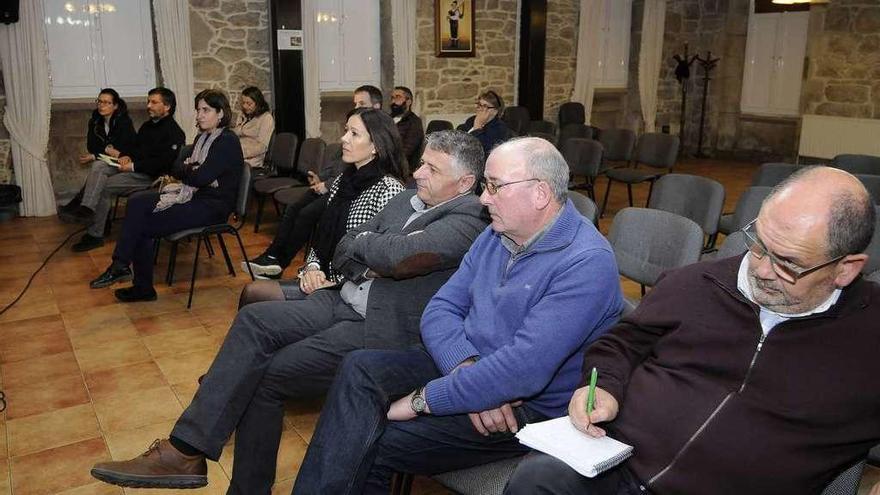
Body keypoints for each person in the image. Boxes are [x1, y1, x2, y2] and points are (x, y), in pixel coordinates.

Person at [86, 116, 476, 494]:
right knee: (255, 319)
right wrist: (370, 253)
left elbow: (397, 255)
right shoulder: (409, 199)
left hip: (378, 327)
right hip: (342, 299)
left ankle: (215, 471)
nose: (419, 172)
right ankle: (186, 449)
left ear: (465, 183)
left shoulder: (468, 217)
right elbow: (344, 244)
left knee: (266, 376)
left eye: (432, 169)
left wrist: (371, 251)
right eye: (422, 163)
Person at [504, 166, 880, 495]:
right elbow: (623, 341)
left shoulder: (870, 335)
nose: (761, 270)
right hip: (616, 466)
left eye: (789, 263)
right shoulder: (698, 282)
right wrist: (602, 384)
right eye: (759, 245)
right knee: (536, 479)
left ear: (845, 269)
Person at [292, 137, 623, 494]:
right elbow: (440, 308)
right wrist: (466, 370)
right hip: (474, 366)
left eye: (494, 186)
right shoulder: (497, 233)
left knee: (372, 437)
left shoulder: (585, 262)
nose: (483, 198)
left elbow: (522, 371)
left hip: (528, 410)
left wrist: (422, 401)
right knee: (359, 368)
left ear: (540, 193)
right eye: (485, 186)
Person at [88, 89, 243, 302]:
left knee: (141, 226)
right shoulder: (202, 138)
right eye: (198, 110)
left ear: (221, 113)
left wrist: (190, 170)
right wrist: (192, 169)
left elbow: (197, 177)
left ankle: (134, 279)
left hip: (213, 206)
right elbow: (177, 167)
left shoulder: (227, 141)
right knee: (137, 202)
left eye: (206, 110)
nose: (199, 115)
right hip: (194, 196)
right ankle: (122, 267)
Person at [243, 87, 383, 279]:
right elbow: (337, 164)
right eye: (355, 103)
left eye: (361, 104)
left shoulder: (382, 179)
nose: (345, 138)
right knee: (293, 208)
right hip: (333, 186)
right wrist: (321, 179)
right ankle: (272, 256)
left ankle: (280, 262)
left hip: (337, 190)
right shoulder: (352, 145)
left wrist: (327, 185)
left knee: (306, 214)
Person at [62, 87, 185, 252]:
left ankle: (95, 234)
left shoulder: (174, 133)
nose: (148, 105)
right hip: (135, 168)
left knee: (104, 186)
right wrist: (127, 156)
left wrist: (132, 165)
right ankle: (88, 209)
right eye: (148, 101)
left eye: (154, 102)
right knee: (99, 165)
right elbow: (136, 148)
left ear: (167, 107)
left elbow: (161, 164)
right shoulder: (148, 126)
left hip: (151, 177)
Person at [457, 89, 512, 157]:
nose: (480, 109)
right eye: (479, 105)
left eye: (485, 106)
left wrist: (477, 127)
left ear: (495, 111)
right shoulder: (471, 120)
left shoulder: (499, 128)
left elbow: (482, 152)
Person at [232, 86, 274, 170]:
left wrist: (239, 153)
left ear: (258, 103)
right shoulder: (244, 116)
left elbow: (262, 147)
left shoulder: (266, 118)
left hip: (252, 160)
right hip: (237, 155)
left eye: (249, 103)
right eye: (243, 103)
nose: (245, 106)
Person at [390, 86, 424, 174]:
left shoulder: (414, 122)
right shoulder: (386, 119)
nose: (393, 101)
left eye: (397, 97)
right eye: (392, 98)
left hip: (403, 169)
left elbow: (407, 150)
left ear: (408, 101)